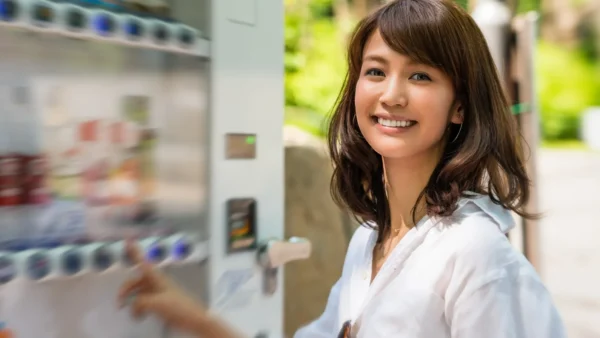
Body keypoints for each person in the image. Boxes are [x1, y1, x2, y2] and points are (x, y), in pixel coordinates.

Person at [117, 0, 567, 336]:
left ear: (461, 107)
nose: (391, 94)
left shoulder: (473, 252)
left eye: (420, 76)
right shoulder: (370, 241)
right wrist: (190, 315)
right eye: (375, 71)